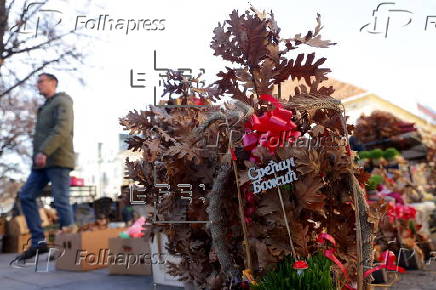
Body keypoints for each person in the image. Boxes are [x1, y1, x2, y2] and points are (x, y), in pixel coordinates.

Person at [11, 73, 77, 264]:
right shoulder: (45, 106)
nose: (38, 85)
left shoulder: (62, 101)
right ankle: (39, 243)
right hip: (40, 162)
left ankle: (68, 245)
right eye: (37, 82)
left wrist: (45, 151)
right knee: (26, 195)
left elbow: (63, 129)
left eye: (41, 81)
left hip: (56, 159)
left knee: (61, 200)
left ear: (53, 83)